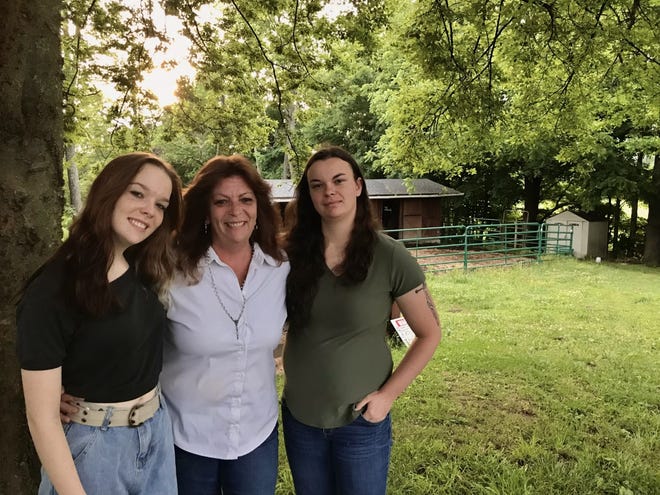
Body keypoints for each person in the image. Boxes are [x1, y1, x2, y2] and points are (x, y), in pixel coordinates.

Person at [16, 152, 183, 495]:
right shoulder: (55, 289)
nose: (149, 210)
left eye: (161, 204)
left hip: (156, 433)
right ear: (109, 190)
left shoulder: (144, 265)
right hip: (94, 449)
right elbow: (42, 418)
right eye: (137, 193)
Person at [282, 146, 442, 495]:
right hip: (300, 419)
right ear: (308, 195)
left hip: (360, 422)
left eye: (339, 180)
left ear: (358, 186)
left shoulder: (390, 255)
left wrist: (387, 396)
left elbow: (429, 333)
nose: (329, 191)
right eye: (317, 185)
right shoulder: (288, 256)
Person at [161, 155, 289, 495]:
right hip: (184, 437)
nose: (236, 211)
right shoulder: (171, 271)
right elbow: (122, 329)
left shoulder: (280, 269)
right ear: (205, 209)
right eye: (222, 201)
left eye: (246, 200)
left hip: (255, 436)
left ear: (259, 207)